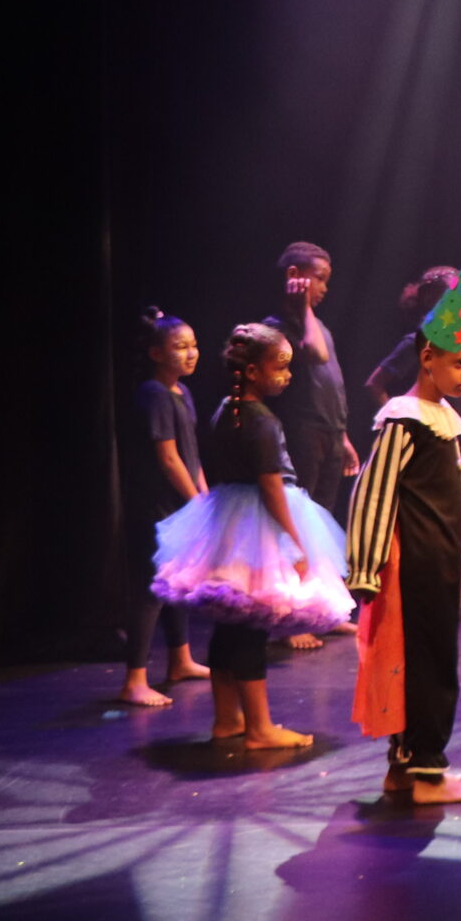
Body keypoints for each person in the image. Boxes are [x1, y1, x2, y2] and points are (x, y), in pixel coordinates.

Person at [151, 322, 352, 750]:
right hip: (256, 525)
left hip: (227, 520)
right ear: (255, 371)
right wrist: (295, 542)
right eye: (280, 368)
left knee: (231, 625)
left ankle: (227, 720)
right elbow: (272, 487)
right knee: (252, 630)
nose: (288, 376)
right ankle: (259, 728)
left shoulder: (227, 407)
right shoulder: (261, 420)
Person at [348, 242, 461, 804]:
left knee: (430, 662)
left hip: (437, 567)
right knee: (427, 667)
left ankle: (404, 772)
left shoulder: (439, 419)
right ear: (427, 357)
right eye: (457, 363)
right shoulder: (405, 420)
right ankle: (426, 773)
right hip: (413, 572)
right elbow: (373, 494)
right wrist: (362, 569)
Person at [368, 265, 461, 616]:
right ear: (431, 300)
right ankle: (432, 588)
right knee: (432, 517)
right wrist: (403, 418)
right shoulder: (417, 343)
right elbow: (375, 384)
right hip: (431, 444)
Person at [263, 242, 358, 645]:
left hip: (329, 432)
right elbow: (315, 357)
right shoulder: (278, 329)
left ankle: (321, 609)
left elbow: (331, 385)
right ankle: (292, 620)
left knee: (320, 523)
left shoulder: (317, 325)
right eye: (318, 279)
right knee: (298, 527)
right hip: (302, 433)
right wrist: (302, 307)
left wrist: (344, 436)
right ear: (295, 276)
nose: (323, 288)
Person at [118, 307, 209, 707]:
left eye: (193, 345)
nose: (191, 353)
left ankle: (180, 659)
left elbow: (191, 456)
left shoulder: (182, 392)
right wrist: (195, 502)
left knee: (177, 583)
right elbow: (168, 458)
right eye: (180, 346)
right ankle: (134, 680)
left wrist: (203, 495)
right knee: (152, 588)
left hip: (180, 502)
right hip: (157, 505)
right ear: (157, 353)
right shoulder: (153, 393)